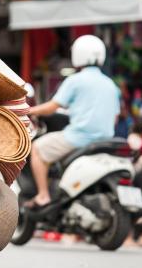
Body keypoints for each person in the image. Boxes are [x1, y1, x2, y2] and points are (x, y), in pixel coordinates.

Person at [27, 35, 120, 208]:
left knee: (37, 148)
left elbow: (51, 108)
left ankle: (43, 195)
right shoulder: (110, 84)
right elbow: (114, 117)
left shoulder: (75, 80)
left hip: (79, 138)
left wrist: (30, 110)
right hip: (106, 140)